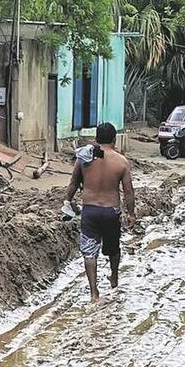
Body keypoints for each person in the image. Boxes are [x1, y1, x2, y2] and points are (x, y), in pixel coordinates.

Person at [64, 122, 137, 302]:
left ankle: (94, 293)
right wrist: (131, 213)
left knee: (89, 252)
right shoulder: (121, 162)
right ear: (114, 139)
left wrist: (67, 201)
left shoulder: (84, 158)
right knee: (113, 249)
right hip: (111, 212)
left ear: (96, 139)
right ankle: (114, 278)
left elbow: (73, 182)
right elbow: (128, 191)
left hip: (90, 211)